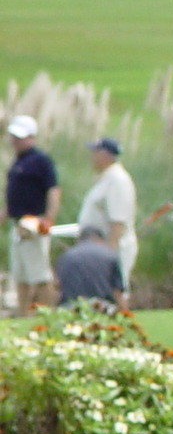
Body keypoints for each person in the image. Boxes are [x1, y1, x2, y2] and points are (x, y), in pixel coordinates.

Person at [7, 115, 58, 314]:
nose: (15, 142)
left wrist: (48, 218)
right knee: (20, 275)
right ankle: (22, 314)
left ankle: (47, 314)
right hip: (17, 223)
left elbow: (53, 189)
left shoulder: (40, 161)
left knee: (39, 274)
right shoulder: (18, 162)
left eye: (19, 138)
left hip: (33, 222)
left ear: (31, 137)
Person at [75, 136, 138, 291]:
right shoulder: (104, 178)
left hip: (113, 248)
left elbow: (117, 222)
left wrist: (107, 257)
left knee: (114, 290)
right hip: (96, 247)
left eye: (95, 152)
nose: (91, 156)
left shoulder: (118, 180)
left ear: (105, 155)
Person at [56, 224, 126, 310]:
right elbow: (117, 292)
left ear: (79, 240)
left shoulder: (66, 256)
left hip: (70, 307)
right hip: (101, 307)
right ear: (101, 240)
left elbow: (57, 287)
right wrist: (125, 313)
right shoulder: (110, 255)